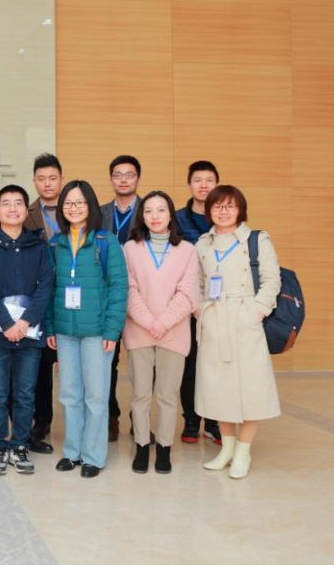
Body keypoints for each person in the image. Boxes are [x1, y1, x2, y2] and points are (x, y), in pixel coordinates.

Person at [195, 185, 281, 480]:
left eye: (230, 206)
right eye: (217, 206)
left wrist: (257, 311)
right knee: (219, 388)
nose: (223, 211)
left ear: (240, 209)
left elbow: (271, 280)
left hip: (245, 318)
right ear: (209, 210)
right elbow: (198, 283)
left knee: (251, 387)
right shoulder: (202, 244)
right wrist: (201, 311)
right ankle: (227, 449)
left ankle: (244, 451)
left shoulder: (257, 240)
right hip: (214, 320)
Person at [44, 180, 128, 479]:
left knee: (96, 395)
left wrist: (112, 331)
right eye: (68, 203)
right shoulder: (55, 243)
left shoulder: (106, 242)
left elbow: (119, 288)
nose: (74, 208)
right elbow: (49, 289)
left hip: (97, 332)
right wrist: (51, 326)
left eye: (79, 202)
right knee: (69, 394)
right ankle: (72, 452)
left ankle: (93, 455)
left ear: (91, 206)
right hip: (65, 331)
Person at [0, 185, 53, 476]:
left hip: (29, 334)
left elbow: (46, 286)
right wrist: (7, 323)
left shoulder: (39, 246)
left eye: (18, 203)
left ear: (25, 210)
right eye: (6, 204)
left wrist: (25, 322)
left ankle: (19, 445)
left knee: (25, 393)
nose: (12, 209)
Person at [122, 190, 199, 474]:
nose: (154, 216)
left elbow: (189, 293)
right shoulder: (130, 248)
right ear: (141, 216)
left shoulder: (188, 250)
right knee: (141, 394)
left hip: (174, 333)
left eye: (161, 210)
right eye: (148, 211)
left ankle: (164, 448)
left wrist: (163, 322)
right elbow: (128, 289)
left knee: (167, 395)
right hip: (139, 332)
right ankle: (142, 445)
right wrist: (148, 321)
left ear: (171, 215)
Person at [175, 160, 222, 445]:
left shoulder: (226, 215)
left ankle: (214, 422)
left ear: (217, 184)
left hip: (219, 304)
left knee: (216, 364)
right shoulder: (177, 219)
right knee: (189, 364)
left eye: (209, 180)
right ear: (189, 184)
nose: (203, 185)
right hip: (187, 302)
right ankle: (191, 420)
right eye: (198, 180)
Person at [99, 154, 141, 442]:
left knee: (142, 363)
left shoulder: (151, 209)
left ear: (138, 178)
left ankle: (140, 419)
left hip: (141, 295)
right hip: (107, 295)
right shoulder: (100, 213)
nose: (123, 179)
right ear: (111, 179)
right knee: (108, 361)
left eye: (129, 174)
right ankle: (110, 416)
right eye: (118, 174)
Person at [23, 153, 63, 452]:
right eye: (41, 179)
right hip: (38, 295)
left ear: (61, 179)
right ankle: (42, 419)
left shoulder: (76, 208)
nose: (47, 183)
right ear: (34, 181)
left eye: (52, 178)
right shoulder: (25, 214)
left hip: (72, 294)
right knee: (40, 363)